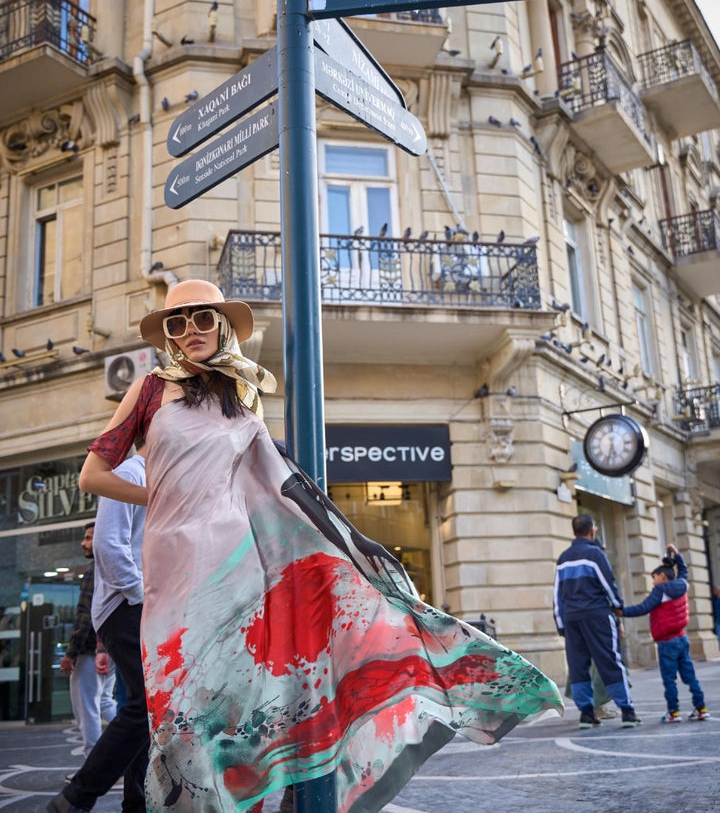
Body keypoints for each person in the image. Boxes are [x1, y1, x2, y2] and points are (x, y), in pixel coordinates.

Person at [63, 279, 562, 813]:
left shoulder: (243, 395)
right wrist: (159, 494)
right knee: (178, 702)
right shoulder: (151, 390)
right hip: (173, 562)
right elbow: (92, 475)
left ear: (223, 324)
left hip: (236, 564)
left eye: (202, 318)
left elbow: (277, 480)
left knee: (238, 700)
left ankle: (263, 797)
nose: (190, 331)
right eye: (177, 322)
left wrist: (348, 538)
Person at [48, 448, 148, 813]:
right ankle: (78, 797)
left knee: (148, 711)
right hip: (129, 608)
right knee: (142, 706)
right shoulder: (131, 472)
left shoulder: (160, 475)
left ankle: (134, 801)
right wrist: (143, 596)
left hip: (143, 608)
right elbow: (109, 545)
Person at [554, 513, 640, 729]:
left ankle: (587, 715)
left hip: (572, 619)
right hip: (597, 615)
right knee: (610, 660)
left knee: (578, 666)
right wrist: (618, 606)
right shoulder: (595, 555)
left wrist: (561, 624)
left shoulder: (563, 558)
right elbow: (608, 584)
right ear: (592, 530)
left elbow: (557, 594)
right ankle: (627, 712)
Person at [618, 544, 709, 723]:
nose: (653, 581)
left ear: (662, 576)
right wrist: (678, 555)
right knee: (690, 676)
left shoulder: (661, 591)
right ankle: (701, 708)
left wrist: (623, 612)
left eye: (654, 577)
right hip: (682, 638)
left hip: (666, 642)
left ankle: (673, 712)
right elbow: (684, 571)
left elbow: (643, 607)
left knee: (669, 679)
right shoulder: (682, 584)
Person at [59, 524, 117, 761]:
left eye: (88, 538)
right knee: (104, 702)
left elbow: (86, 615)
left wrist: (70, 653)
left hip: (90, 651)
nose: (83, 543)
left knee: (87, 709)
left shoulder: (96, 570)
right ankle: (138, 746)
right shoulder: (111, 567)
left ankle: (92, 764)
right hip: (109, 649)